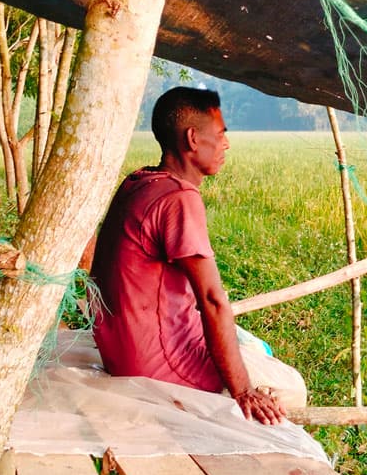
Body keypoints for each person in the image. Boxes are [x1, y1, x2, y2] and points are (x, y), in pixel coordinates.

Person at [90, 87, 304, 425]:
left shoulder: (139, 182)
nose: (226, 145)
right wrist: (244, 390)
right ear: (193, 139)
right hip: (158, 367)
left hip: (122, 353)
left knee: (248, 346)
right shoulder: (178, 198)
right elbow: (212, 299)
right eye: (220, 135)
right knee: (293, 387)